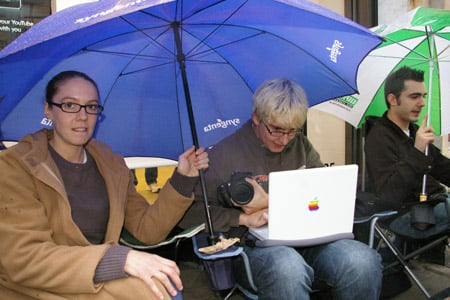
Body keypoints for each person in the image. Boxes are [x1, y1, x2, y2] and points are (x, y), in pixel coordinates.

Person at [0, 70, 209, 300]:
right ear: (48, 110)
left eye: (91, 107)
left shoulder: (111, 165)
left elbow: (146, 231)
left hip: (97, 280)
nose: (82, 116)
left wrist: (183, 178)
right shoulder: (15, 167)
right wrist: (120, 259)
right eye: (70, 105)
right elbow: (25, 259)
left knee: (165, 288)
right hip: (37, 287)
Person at [178, 78, 382, 299]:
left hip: (311, 241)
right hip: (254, 249)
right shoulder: (222, 155)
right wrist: (240, 219)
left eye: (292, 131)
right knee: (288, 268)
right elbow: (191, 214)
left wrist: (270, 203)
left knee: (363, 261)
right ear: (257, 116)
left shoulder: (301, 145)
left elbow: (322, 198)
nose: (284, 140)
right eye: (276, 130)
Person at [364, 66, 449, 261]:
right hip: (404, 215)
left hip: (431, 204)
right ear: (393, 99)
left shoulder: (413, 131)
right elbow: (389, 196)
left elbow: (442, 167)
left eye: (423, 96)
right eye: (414, 96)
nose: (421, 103)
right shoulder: (379, 138)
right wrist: (417, 150)